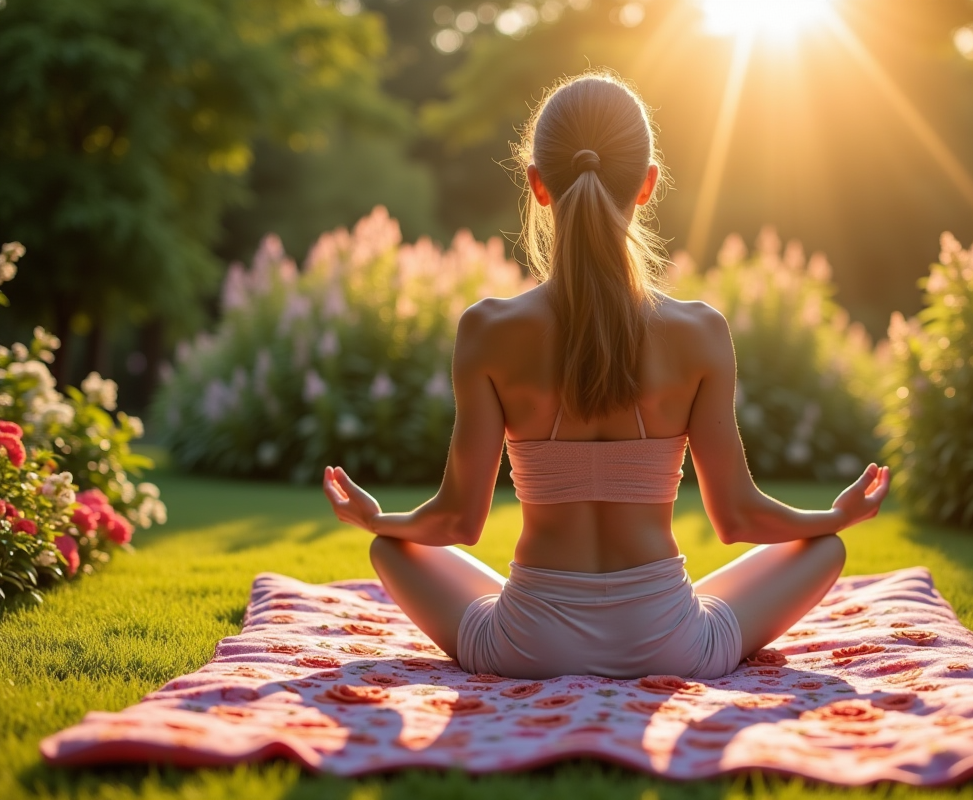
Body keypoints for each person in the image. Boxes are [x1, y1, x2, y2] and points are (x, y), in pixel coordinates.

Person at [322, 72, 890, 680]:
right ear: (646, 186)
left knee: (391, 548)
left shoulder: (487, 330)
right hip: (672, 645)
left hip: (524, 649)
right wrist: (833, 517)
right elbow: (739, 519)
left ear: (538, 185)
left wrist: (378, 519)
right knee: (826, 549)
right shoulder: (699, 332)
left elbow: (458, 521)